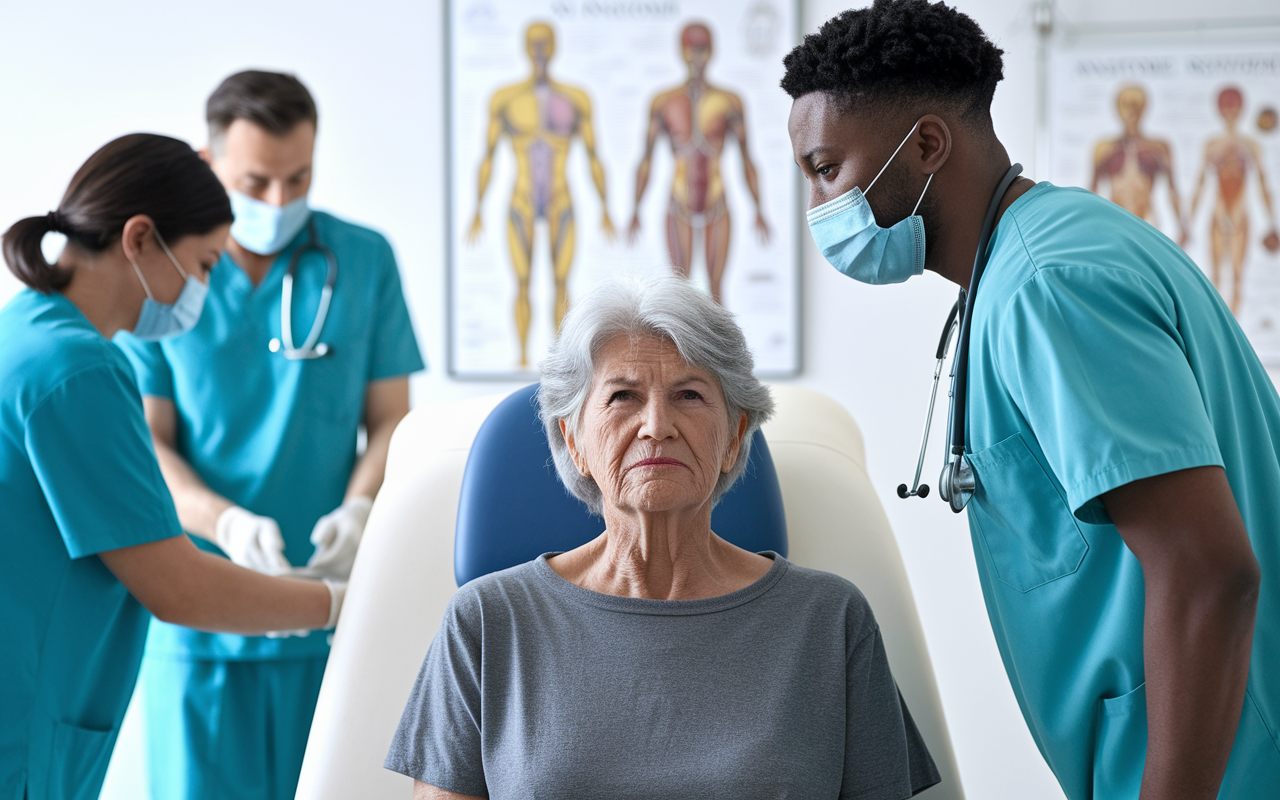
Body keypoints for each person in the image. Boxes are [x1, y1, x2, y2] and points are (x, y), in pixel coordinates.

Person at [782, 2, 1276, 798]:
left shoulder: (1050, 284)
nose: (817, 210)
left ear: (928, 144)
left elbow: (1208, 570)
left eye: (826, 169)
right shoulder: (1038, 258)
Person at [384, 274, 941, 799]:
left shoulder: (830, 620)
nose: (657, 425)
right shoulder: (484, 622)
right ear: (574, 441)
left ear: (734, 437)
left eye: (690, 395)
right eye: (623, 396)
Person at [0, 133, 344, 800]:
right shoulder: (78, 371)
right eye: (206, 263)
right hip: (23, 727)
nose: (206, 288)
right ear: (140, 239)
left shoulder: (24, 332)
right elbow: (176, 587)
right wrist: (336, 602)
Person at [114, 71, 424, 800]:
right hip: (200, 628)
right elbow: (149, 445)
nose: (279, 201)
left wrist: (360, 506)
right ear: (207, 161)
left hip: (328, 615)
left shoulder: (363, 260)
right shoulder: (163, 274)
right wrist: (220, 520)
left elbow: (392, 422)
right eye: (256, 181)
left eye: (298, 178)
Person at [466, 22, 615, 368]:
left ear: (555, 47)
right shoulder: (506, 99)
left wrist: (605, 206)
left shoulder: (576, 99)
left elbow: (595, 156)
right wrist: (477, 208)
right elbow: (486, 157)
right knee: (521, 281)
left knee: (562, 283)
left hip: (562, 198)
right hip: (521, 200)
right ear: (524, 47)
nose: (540, 51)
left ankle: (563, 363)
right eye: (534, 44)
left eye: (545, 43)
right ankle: (521, 359)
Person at [626, 22, 771, 304]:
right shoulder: (663, 102)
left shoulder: (729, 102)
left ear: (712, 51)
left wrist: (759, 208)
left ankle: (720, 350)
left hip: (717, 201)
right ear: (681, 51)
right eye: (691, 50)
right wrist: (635, 208)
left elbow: (746, 158)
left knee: (716, 291)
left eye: (702, 50)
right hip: (678, 201)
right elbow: (646, 160)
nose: (696, 57)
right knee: (679, 293)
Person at [1189, 85, 1279, 314]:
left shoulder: (1251, 145)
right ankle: (1218, 332)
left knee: (1238, 276)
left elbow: (1262, 182)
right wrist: (1187, 222)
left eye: (1234, 107)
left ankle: (1233, 332)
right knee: (1216, 275)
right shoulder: (1212, 145)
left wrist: (1272, 222)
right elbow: (1200, 183)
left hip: (1240, 215)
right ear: (1219, 110)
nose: (1230, 112)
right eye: (1226, 106)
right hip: (1218, 214)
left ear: (1241, 109)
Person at [1089, 84, 1187, 247]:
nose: (1131, 111)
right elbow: (1093, 190)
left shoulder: (1159, 147)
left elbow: (1172, 189)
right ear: (1118, 108)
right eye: (1126, 105)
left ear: (1144, 108)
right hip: (1115, 220)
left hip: (1148, 220)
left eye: (1136, 105)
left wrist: (1181, 226)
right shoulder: (1104, 148)